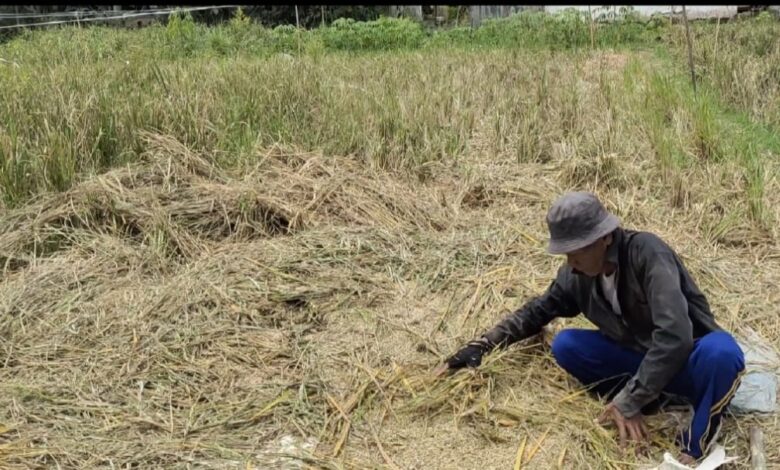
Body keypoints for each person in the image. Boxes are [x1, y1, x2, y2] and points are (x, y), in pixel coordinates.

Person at [438, 191, 745, 464]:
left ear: (605, 238)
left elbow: (675, 337)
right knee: (566, 345)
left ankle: (694, 444)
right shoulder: (577, 274)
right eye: (565, 253)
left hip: (688, 360)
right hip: (642, 360)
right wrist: (484, 343)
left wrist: (630, 400)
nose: (570, 262)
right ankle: (656, 398)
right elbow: (538, 311)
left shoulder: (648, 254)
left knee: (722, 352)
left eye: (575, 250)